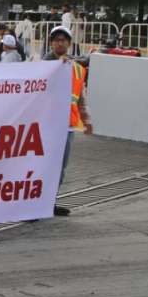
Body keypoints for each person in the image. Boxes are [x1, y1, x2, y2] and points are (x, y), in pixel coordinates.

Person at [43, 26, 93, 217]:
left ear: (69, 44)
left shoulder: (77, 69)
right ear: (51, 43)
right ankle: (34, 204)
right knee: (42, 166)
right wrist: (56, 66)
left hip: (67, 127)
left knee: (59, 168)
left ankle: (49, 203)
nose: (60, 42)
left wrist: (86, 118)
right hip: (46, 126)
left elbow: (80, 98)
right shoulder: (42, 66)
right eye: (56, 39)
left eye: (64, 39)